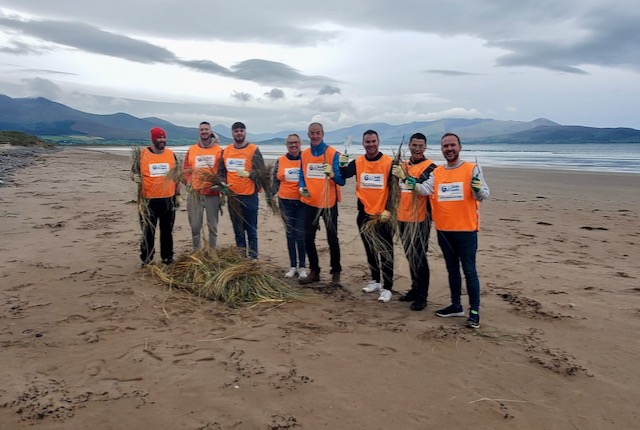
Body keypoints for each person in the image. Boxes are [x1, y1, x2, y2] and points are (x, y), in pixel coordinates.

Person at [415, 132, 489, 328]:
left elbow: (484, 195)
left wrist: (477, 189)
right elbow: (425, 190)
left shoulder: (471, 169)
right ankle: (456, 306)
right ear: (441, 149)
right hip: (444, 231)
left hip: (466, 230)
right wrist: (410, 183)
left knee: (469, 271)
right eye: (445, 146)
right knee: (452, 270)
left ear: (460, 147)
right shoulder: (437, 172)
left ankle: (474, 312)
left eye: (452, 145)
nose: (449, 149)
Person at [339, 129, 395, 303]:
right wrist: (341, 164)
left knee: (385, 252)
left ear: (378, 142)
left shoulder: (389, 162)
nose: (370, 144)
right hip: (364, 214)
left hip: (383, 215)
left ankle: (387, 287)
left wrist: (389, 210)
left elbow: (395, 191)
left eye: (373, 141)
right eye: (367, 142)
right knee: (370, 249)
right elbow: (344, 175)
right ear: (363, 144)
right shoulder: (359, 162)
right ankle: (375, 281)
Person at [390, 132, 437, 311]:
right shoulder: (402, 165)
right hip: (402, 217)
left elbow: (425, 190)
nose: (417, 149)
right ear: (409, 146)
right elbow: (396, 191)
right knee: (410, 255)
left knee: (419, 257)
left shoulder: (431, 168)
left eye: (421, 146)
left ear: (425, 147)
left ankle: (422, 296)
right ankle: (414, 288)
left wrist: (404, 177)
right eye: (414, 145)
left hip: (420, 220)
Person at [298, 122, 345, 285]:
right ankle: (314, 271)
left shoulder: (332, 153)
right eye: (312, 133)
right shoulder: (304, 154)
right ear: (308, 134)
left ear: (323, 134)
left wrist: (332, 174)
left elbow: (341, 180)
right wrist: (301, 187)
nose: (315, 136)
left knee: (332, 238)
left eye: (318, 133)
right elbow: (301, 174)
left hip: (329, 203)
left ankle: (336, 271)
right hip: (310, 203)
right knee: (308, 237)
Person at [131, 127, 179, 266]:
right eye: (159, 138)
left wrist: (178, 195)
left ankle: (167, 257)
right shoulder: (142, 154)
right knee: (147, 231)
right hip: (148, 200)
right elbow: (132, 172)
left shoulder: (171, 154)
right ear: (153, 139)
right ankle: (147, 258)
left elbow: (176, 176)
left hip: (168, 199)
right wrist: (135, 177)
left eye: (164, 138)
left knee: (167, 231)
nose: (162, 140)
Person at [218, 121, 265, 259]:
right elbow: (221, 172)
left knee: (251, 229)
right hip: (233, 196)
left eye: (241, 130)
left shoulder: (253, 150)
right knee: (238, 230)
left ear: (245, 132)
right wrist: (222, 183)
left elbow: (262, 173)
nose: (239, 133)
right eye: (236, 130)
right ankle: (241, 257)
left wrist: (249, 174)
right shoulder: (226, 151)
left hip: (250, 196)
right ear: (232, 133)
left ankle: (253, 257)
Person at [271, 134, 308, 279]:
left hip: (302, 202)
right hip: (285, 202)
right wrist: (270, 194)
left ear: (300, 144)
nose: (293, 145)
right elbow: (275, 180)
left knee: (300, 235)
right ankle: (293, 266)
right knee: (290, 234)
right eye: (290, 143)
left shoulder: (306, 158)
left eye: (296, 143)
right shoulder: (280, 160)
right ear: (286, 145)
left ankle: (303, 267)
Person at [183, 121, 223, 250]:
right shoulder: (192, 150)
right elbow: (186, 169)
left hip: (212, 193)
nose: (204, 132)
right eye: (201, 130)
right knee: (195, 226)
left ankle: (212, 252)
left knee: (213, 226)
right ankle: (197, 252)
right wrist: (189, 182)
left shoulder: (219, 150)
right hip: (195, 193)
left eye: (206, 129)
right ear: (199, 132)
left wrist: (220, 185)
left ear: (211, 131)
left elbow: (223, 170)